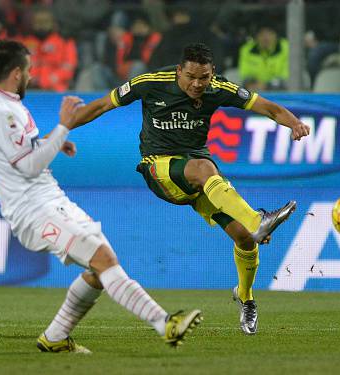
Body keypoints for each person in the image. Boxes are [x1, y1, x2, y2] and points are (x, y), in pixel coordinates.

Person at [66, 43, 310, 335]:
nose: (197, 84)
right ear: (179, 70)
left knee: (245, 239)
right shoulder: (149, 83)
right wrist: (61, 129)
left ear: (212, 74)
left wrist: (294, 123)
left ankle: (245, 297)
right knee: (205, 168)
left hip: (197, 178)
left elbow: (268, 107)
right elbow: (102, 105)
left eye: (204, 77)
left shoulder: (219, 89)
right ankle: (257, 219)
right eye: (191, 76)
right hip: (159, 169)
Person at [0, 39, 202, 352]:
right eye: (27, 70)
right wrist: (63, 129)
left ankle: (54, 337)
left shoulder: (7, 105)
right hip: (34, 211)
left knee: (99, 269)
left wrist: (51, 143)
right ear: (15, 73)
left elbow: (24, 153)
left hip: (49, 200)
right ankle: (165, 324)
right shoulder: (1, 112)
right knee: (103, 260)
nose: (30, 76)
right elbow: (27, 167)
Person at [18, 8, 77, 92]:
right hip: (30, 88)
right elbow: (20, 65)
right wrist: (31, 78)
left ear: (53, 24)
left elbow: (69, 66)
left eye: (45, 22)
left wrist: (52, 78)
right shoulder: (26, 42)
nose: (41, 25)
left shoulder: (65, 41)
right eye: (38, 22)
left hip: (57, 87)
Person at [238, 24, 289, 91]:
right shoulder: (247, 49)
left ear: (276, 35)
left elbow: (287, 75)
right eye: (262, 34)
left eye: (270, 34)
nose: (266, 38)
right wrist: (252, 82)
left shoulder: (286, 47)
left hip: (281, 91)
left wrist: (267, 85)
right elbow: (245, 72)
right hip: (255, 90)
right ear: (256, 37)